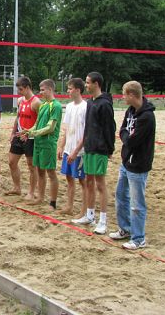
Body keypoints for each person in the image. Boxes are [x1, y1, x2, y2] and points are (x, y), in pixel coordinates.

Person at [109, 81, 156, 250]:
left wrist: (127, 137)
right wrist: (126, 137)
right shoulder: (130, 111)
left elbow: (133, 141)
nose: (122, 97)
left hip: (138, 164)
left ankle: (138, 238)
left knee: (137, 204)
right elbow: (122, 130)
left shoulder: (147, 116)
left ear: (131, 95)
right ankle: (125, 229)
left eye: (124, 94)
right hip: (126, 162)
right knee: (121, 197)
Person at [72, 72, 115, 235]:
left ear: (96, 84)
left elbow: (110, 128)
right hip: (89, 147)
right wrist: (81, 147)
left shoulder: (104, 104)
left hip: (100, 148)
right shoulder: (91, 102)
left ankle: (103, 221)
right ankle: (90, 215)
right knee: (89, 181)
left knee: (100, 184)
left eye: (88, 83)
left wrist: (109, 149)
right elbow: (88, 127)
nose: (86, 85)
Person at [21, 79, 62, 210]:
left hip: (48, 143)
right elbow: (37, 123)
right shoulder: (44, 105)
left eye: (43, 89)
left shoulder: (56, 106)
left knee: (51, 172)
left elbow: (51, 127)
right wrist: (28, 131)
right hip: (39, 142)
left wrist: (34, 133)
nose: (41, 92)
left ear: (50, 89)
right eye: (40, 89)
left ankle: (53, 203)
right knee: (40, 171)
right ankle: (40, 198)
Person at [5, 77, 41, 199]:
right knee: (11, 162)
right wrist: (12, 133)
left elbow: (40, 122)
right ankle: (17, 188)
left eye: (21, 89)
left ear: (27, 87)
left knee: (31, 166)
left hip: (30, 138)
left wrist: (30, 133)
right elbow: (18, 118)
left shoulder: (36, 102)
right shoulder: (20, 101)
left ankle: (31, 192)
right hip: (19, 135)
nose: (19, 92)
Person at [57, 78, 87, 216]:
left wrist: (76, 151)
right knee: (69, 178)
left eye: (70, 88)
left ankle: (84, 210)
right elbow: (66, 129)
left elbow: (86, 134)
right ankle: (69, 206)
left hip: (79, 151)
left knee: (82, 181)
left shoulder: (85, 107)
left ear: (78, 90)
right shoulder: (69, 107)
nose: (68, 91)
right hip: (69, 149)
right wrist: (61, 147)